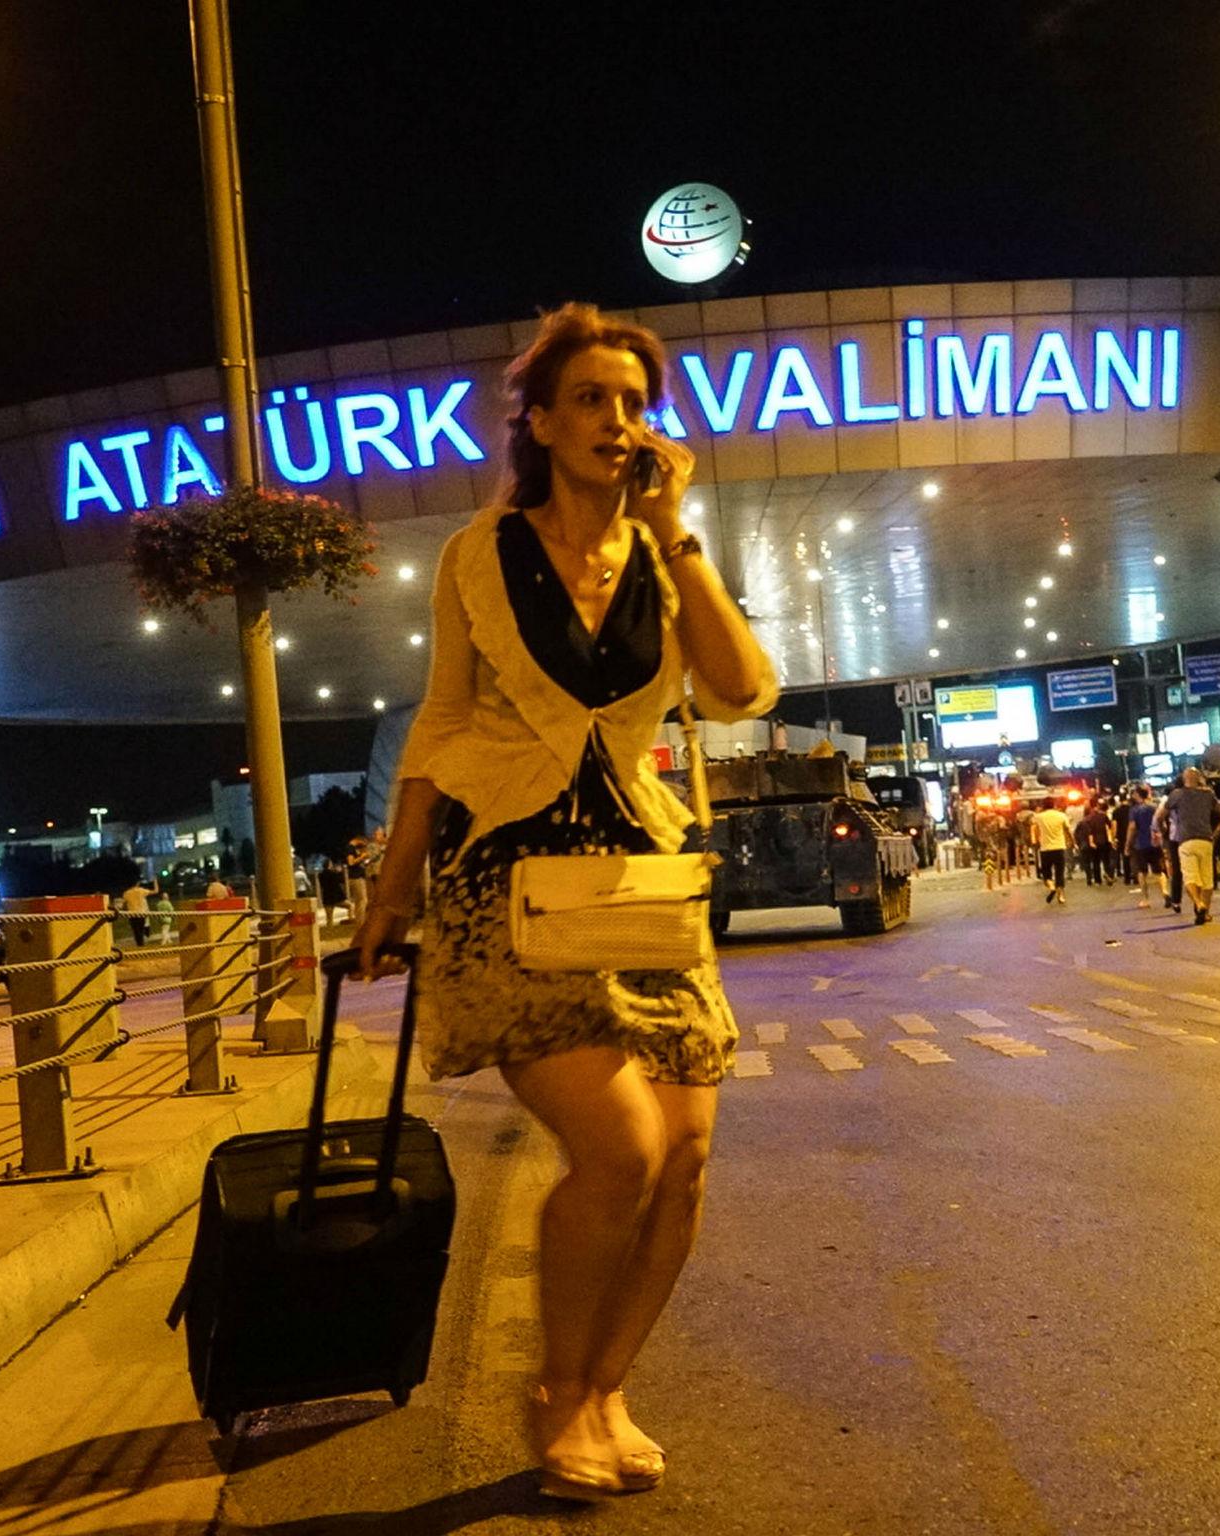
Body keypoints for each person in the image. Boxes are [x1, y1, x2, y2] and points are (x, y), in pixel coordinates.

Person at [354, 304, 775, 1502]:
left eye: (634, 403)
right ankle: (553, 1390)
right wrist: (395, 887)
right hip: (509, 881)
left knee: (686, 1158)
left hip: (639, 882)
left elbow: (742, 690)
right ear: (537, 422)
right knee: (620, 1145)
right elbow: (439, 722)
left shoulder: (658, 553)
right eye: (590, 399)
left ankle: (604, 1385)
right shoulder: (476, 554)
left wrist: (677, 536)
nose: (616, 422)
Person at [1163, 768, 1220, 924]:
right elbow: (1218, 809)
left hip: (1186, 841)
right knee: (1207, 879)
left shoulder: (1176, 794)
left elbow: (1162, 813)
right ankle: (1206, 912)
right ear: (1199, 778)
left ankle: (1198, 903)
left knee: (1190, 877)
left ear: (1183, 778)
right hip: (1205, 839)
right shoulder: (1208, 794)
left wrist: (1163, 832)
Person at [1124, 784, 1162, 908]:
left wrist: (1127, 844)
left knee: (1142, 872)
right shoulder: (1154, 807)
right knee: (1158, 871)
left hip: (1140, 843)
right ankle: (1165, 891)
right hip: (1154, 842)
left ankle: (1145, 899)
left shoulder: (1134, 810)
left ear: (1138, 795)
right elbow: (1161, 823)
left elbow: (1132, 827)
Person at [1031, 798, 1072, 904]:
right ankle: (1061, 895)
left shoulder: (1038, 817)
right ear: (1054, 804)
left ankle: (1051, 886)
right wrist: (1072, 841)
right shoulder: (1061, 816)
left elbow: (1034, 829)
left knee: (1046, 874)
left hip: (1045, 849)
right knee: (1059, 872)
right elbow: (1068, 830)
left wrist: (1036, 841)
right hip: (1059, 847)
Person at [1077, 799, 1112, 886]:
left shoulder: (1088, 819)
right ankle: (1107, 873)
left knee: (1096, 861)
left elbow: (1089, 832)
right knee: (1106, 860)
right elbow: (1110, 826)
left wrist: (1091, 842)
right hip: (1104, 840)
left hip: (1094, 842)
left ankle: (1097, 880)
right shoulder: (1103, 816)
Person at [119, 871, 154, 946]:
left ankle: (139, 944)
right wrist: (155, 881)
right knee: (141, 930)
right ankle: (141, 944)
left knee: (136, 931)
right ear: (137, 883)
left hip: (132, 914)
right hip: (141, 913)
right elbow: (155, 891)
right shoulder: (141, 891)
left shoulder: (126, 893)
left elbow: (122, 905)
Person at [316, 858, 349, 927]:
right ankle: (350, 919)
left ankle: (330, 930)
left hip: (327, 897)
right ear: (329, 865)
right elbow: (340, 881)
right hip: (336, 897)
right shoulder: (333, 873)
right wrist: (339, 872)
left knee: (329, 917)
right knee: (350, 906)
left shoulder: (320, 875)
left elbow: (322, 885)